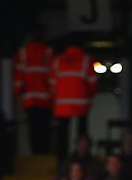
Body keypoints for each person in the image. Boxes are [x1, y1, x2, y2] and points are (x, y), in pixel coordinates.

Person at [50, 45, 97, 160]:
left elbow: (51, 82)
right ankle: (82, 158)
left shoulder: (57, 61)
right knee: (81, 133)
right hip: (81, 103)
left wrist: (58, 97)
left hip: (62, 104)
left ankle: (61, 160)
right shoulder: (87, 60)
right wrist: (89, 97)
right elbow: (93, 82)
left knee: (62, 135)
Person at [13, 26, 53, 154]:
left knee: (33, 128)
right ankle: (42, 152)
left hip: (30, 100)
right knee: (44, 128)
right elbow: (53, 77)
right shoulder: (48, 52)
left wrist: (18, 94)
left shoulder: (23, 53)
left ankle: (36, 152)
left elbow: (18, 78)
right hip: (45, 100)